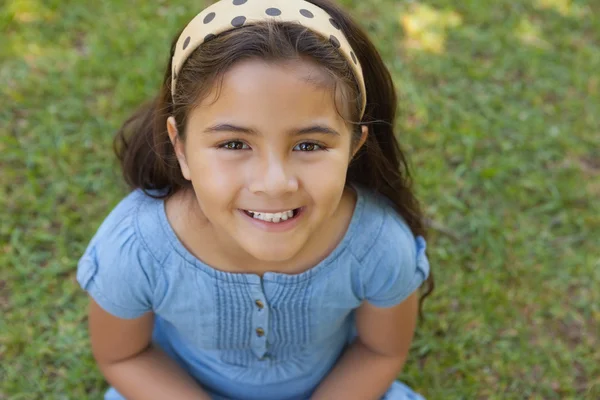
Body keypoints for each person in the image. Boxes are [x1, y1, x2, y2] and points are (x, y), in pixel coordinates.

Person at [76, 0, 434, 399]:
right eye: (233, 143)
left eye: (309, 145)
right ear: (181, 148)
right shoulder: (136, 250)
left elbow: (380, 350)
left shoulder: (378, 244)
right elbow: (124, 356)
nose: (274, 183)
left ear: (353, 147)